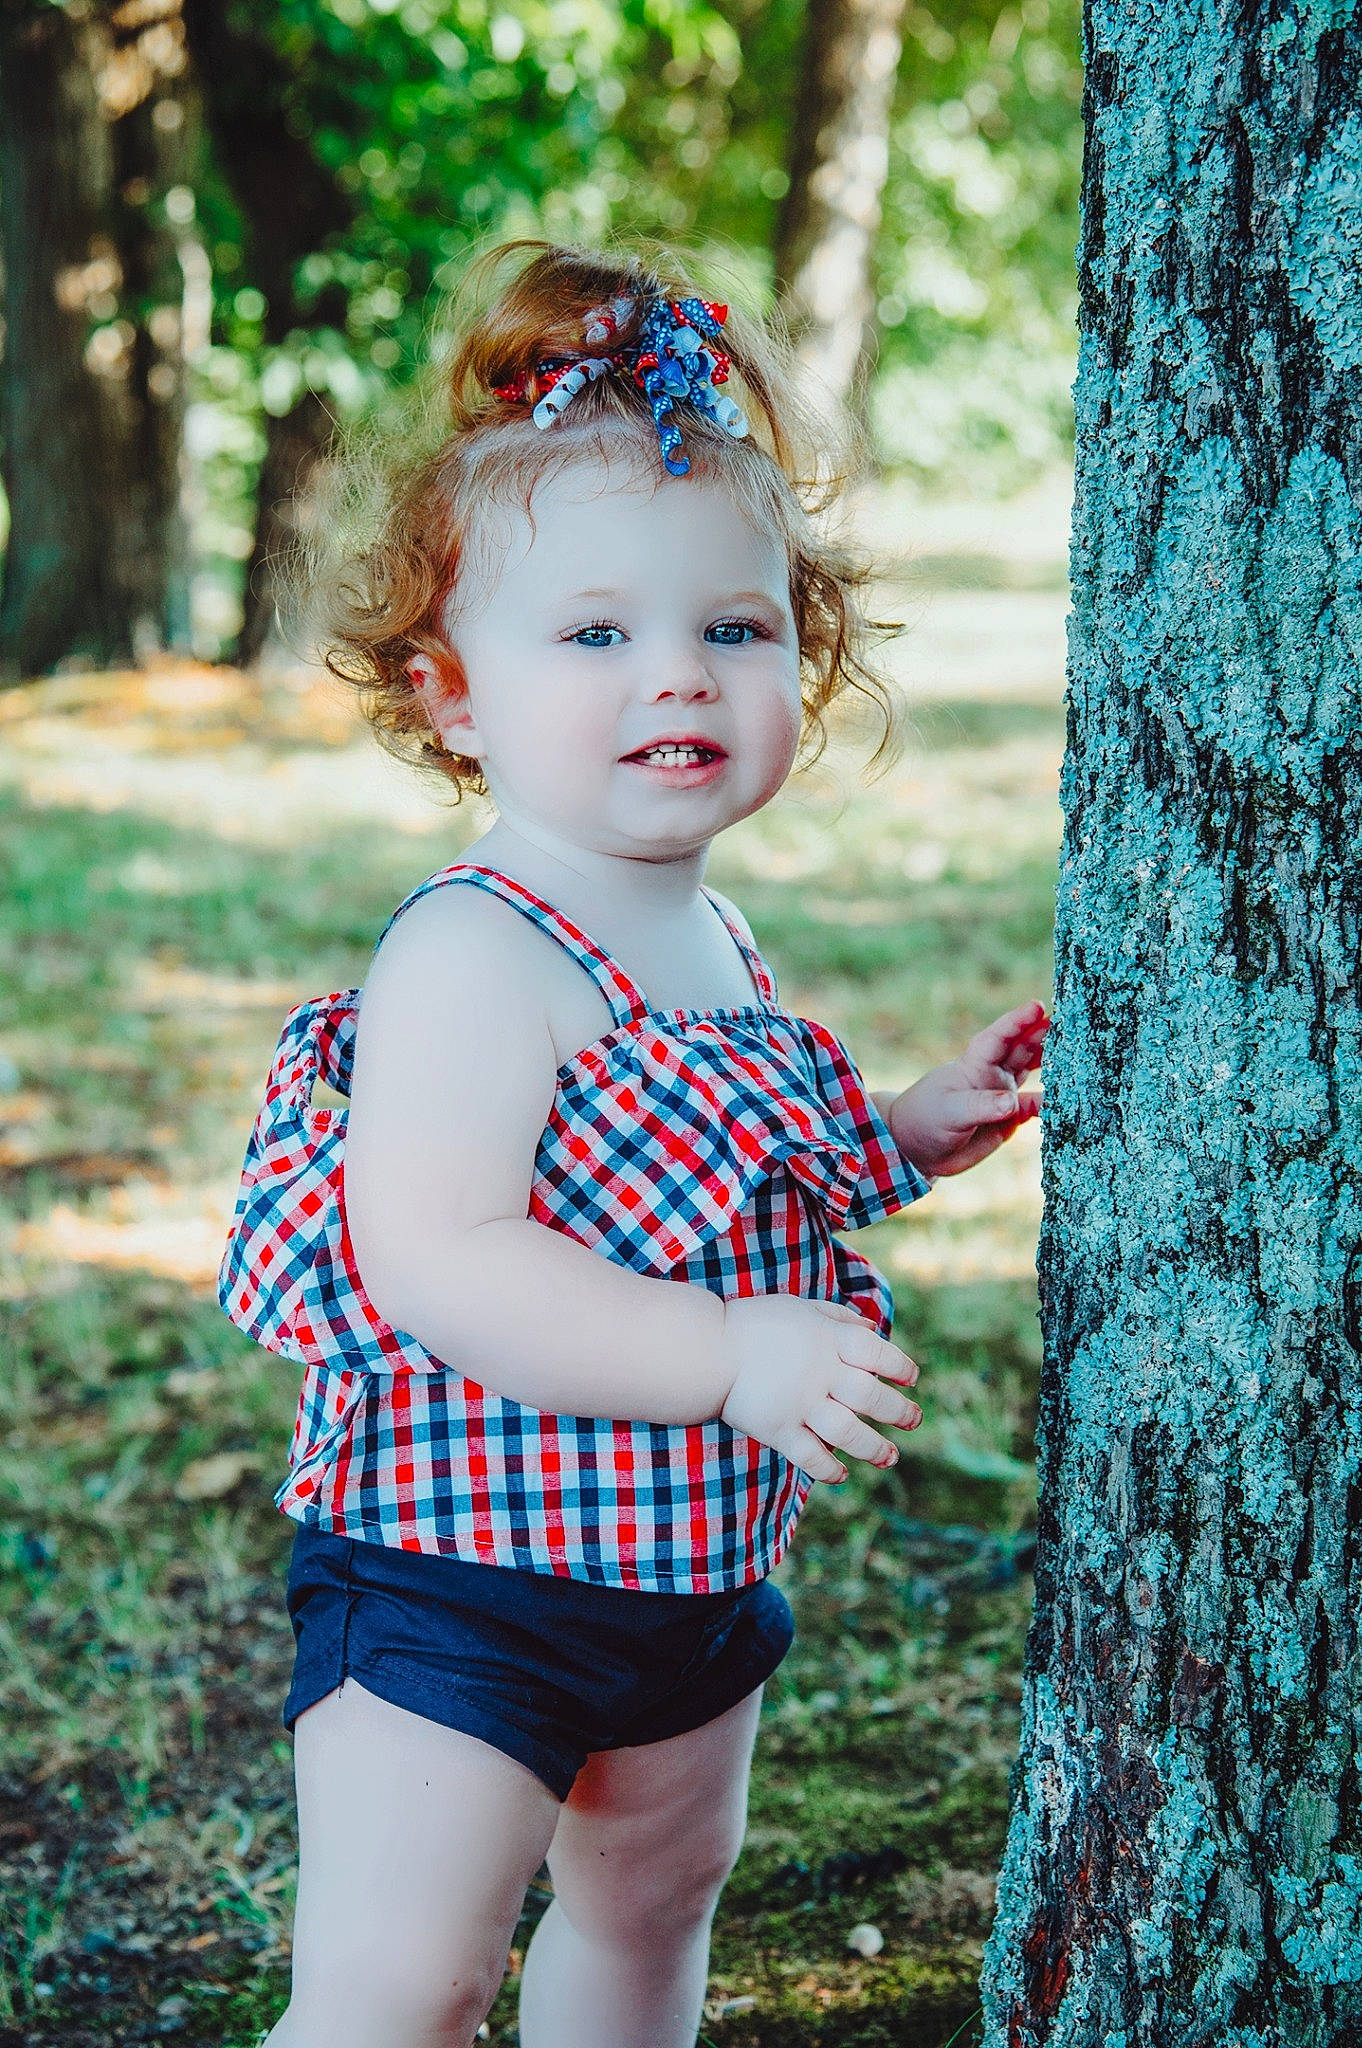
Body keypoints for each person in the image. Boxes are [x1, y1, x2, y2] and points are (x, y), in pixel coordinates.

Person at [219, 238, 1049, 2048]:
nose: (674, 677)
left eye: (729, 629)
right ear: (450, 690)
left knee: (653, 1908)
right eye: (594, 633)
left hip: (687, 1563)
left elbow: (720, 1161)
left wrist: (903, 1132)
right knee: (401, 1982)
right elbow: (440, 1258)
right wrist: (730, 1353)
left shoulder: (708, 931)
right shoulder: (469, 948)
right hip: (460, 1576)